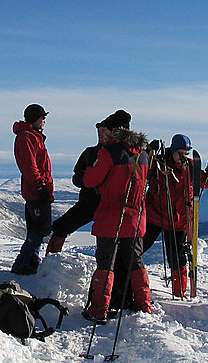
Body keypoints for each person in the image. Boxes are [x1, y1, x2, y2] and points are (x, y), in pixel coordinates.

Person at [82, 126, 151, 322]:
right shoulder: (143, 155)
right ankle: (143, 303)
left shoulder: (109, 153)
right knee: (135, 261)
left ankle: (99, 309)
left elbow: (90, 180)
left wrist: (91, 166)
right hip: (136, 218)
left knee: (106, 264)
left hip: (111, 216)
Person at [47, 110, 132, 254]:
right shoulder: (91, 153)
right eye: (99, 130)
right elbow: (76, 177)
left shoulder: (124, 154)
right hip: (89, 203)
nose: (100, 133)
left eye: (104, 130)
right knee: (61, 227)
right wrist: (86, 179)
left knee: (113, 244)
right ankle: (51, 263)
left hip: (111, 206)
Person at [143, 134, 208, 297]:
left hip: (178, 222)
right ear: (173, 150)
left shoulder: (189, 166)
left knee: (177, 260)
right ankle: (128, 282)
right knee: (136, 249)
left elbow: (207, 182)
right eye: (181, 153)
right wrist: (148, 152)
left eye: (186, 153)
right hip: (155, 217)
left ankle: (179, 293)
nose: (184, 156)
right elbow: (142, 171)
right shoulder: (159, 163)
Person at [10, 104, 53, 275]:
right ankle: (22, 262)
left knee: (36, 228)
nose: (44, 121)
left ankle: (32, 260)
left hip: (36, 188)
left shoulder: (32, 136)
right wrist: (40, 185)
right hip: (36, 190)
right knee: (41, 228)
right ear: (35, 118)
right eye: (42, 118)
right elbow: (29, 165)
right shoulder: (27, 137)